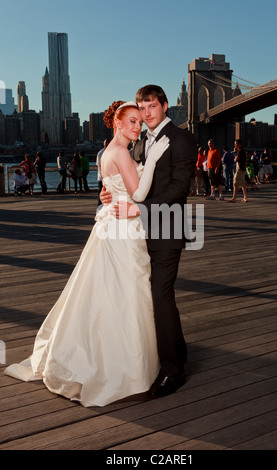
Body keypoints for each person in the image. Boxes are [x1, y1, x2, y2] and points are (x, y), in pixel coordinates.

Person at [4, 100, 170, 407]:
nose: (138, 126)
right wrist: (155, 162)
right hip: (123, 228)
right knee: (126, 292)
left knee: (103, 289)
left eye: (139, 122)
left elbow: (110, 188)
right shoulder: (121, 152)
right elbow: (139, 194)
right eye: (132, 121)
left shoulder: (106, 151)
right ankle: (120, 365)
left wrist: (113, 192)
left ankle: (101, 353)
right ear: (117, 124)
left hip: (111, 225)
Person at [100, 85, 198, 399]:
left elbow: (180, 188)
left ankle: (173, 371)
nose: (146, 113)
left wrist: (139, 207)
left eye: (152, 106)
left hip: (167, 229)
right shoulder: (140, 142)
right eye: (142, 108)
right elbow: (134, 184)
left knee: (160, 295)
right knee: (149, 295)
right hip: (138, 232)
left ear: (165, 106)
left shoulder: (182, 139)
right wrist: (108, 194)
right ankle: (177, 353)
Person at [96, 138, 111, 206]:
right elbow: (99, 166)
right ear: (104, 144)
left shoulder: (112, 151)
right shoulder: (100, 153)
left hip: (111, 178)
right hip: (102, 178)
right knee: (101, 194)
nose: (107, 144)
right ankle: (99, 207)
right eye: (106, 143)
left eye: (108, 143)